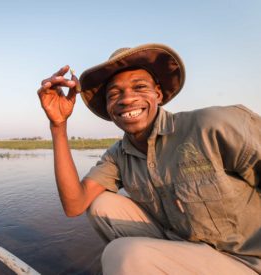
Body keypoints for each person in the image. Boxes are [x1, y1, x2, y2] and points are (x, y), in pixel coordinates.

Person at [37, 43, 260, 274]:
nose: (127, 99)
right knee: (100, 205)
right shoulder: (118, 155)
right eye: (114, 94)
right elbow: (75, 205)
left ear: (158, 94)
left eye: (139, 87)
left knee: (122, 254)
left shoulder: (211, 125)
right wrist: (58, 125)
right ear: (108, 106)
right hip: (187, 250)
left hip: (248, 261)